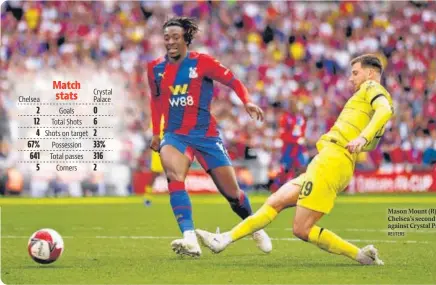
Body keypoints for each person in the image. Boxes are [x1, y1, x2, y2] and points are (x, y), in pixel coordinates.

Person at [196, 54, 394, 265]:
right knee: (275, 202)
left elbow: (384, 110)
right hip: (329, 159)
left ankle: (361, 256)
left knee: (301, 229)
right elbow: (374, 139)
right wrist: (365, 137)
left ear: (371, 73)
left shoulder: (372, 87)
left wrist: (362, 137)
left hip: (333, 160)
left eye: (355, 73)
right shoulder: (366, 100)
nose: (350, 79)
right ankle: (223, 240)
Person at [147, 17, 271, 257]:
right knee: (173, 176)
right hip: (175, 135)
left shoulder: (202, 62)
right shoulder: (155, 68)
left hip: (206, 136)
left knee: (233, 195)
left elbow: (233, 81)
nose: (170, 42)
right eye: (166, 38)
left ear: (186, 39)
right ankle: (189, 237)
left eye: (175, 37)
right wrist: (156, 132)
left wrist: (247, 101)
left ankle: (254, 227)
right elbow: (156, 100)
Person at [270, 97, 308, 192]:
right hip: (288, 147)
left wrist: (302, 138)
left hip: (299, 148)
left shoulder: (300, 118)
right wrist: (295, 140)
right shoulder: (285, 118)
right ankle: (276, 187)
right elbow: (282, 134)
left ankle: (298, 188)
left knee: (301, 167)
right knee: (285, 169)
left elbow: (302, 131)